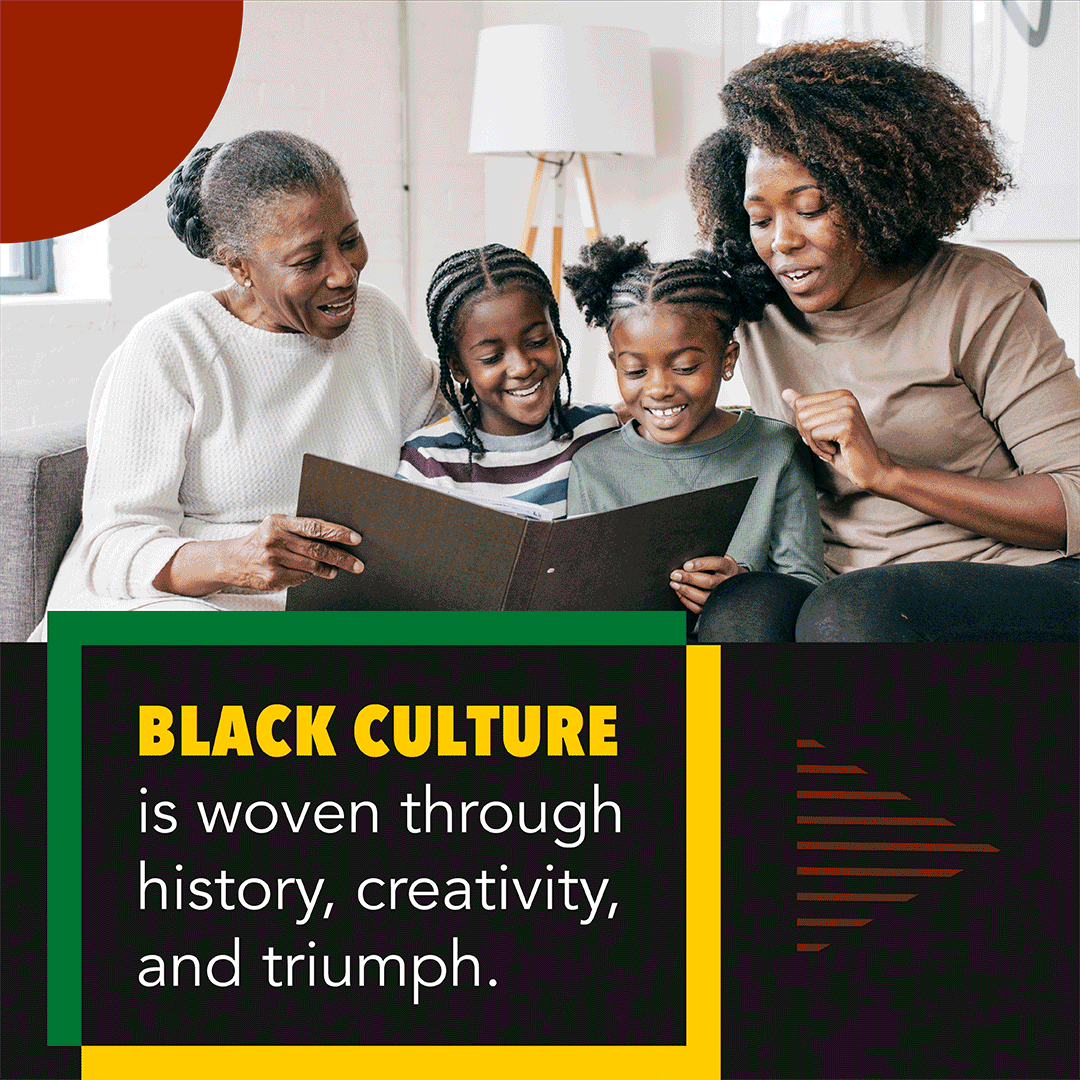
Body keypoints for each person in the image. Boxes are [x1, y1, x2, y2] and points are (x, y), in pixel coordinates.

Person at [686, 39, 1080, 642]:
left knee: (854, 613)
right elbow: (651, 345)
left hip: (1016, 580)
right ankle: (720, 741)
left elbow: (1072, 502)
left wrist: (890, 473)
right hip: (837, 589)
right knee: (740, 609)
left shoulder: (980, 294)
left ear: (875, 196)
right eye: (760, 220)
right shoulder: (750, 302)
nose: (781, 242)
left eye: (811, 208)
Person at [31, 131, 441, 637]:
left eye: (350, 240)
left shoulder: (375, 321)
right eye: (307, 260)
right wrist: (236, 561)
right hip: (167, 610)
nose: (342, 273)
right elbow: (110, 548)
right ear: (238, 266)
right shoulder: (171, 347)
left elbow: (443, 440)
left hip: (323, 611)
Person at [563, 236, 825, 642]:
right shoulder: (592, 466)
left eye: (685, 367)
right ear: (616, 365)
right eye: (635, 371)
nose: (659, 388)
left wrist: (740, 585)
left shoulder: (777, 449)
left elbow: (805, 584)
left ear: (727, 360)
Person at [396, 244, 618, 520]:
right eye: (492, 357)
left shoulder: (600, 431)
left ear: (557, 335)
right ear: (457, 367)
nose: (522, 367)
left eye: (538, 341)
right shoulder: (429, 461)